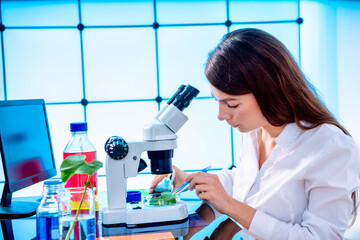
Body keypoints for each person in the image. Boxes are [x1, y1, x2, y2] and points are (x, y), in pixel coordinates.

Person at [150, 28, 360, 240]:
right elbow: (248, 182)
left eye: (231, 104)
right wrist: (196, 182)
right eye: (217, 101)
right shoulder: (254, 129)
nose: (221, 115)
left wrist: (230, 206)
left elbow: (320, 238)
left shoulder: (331, 146)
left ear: (269, 91)